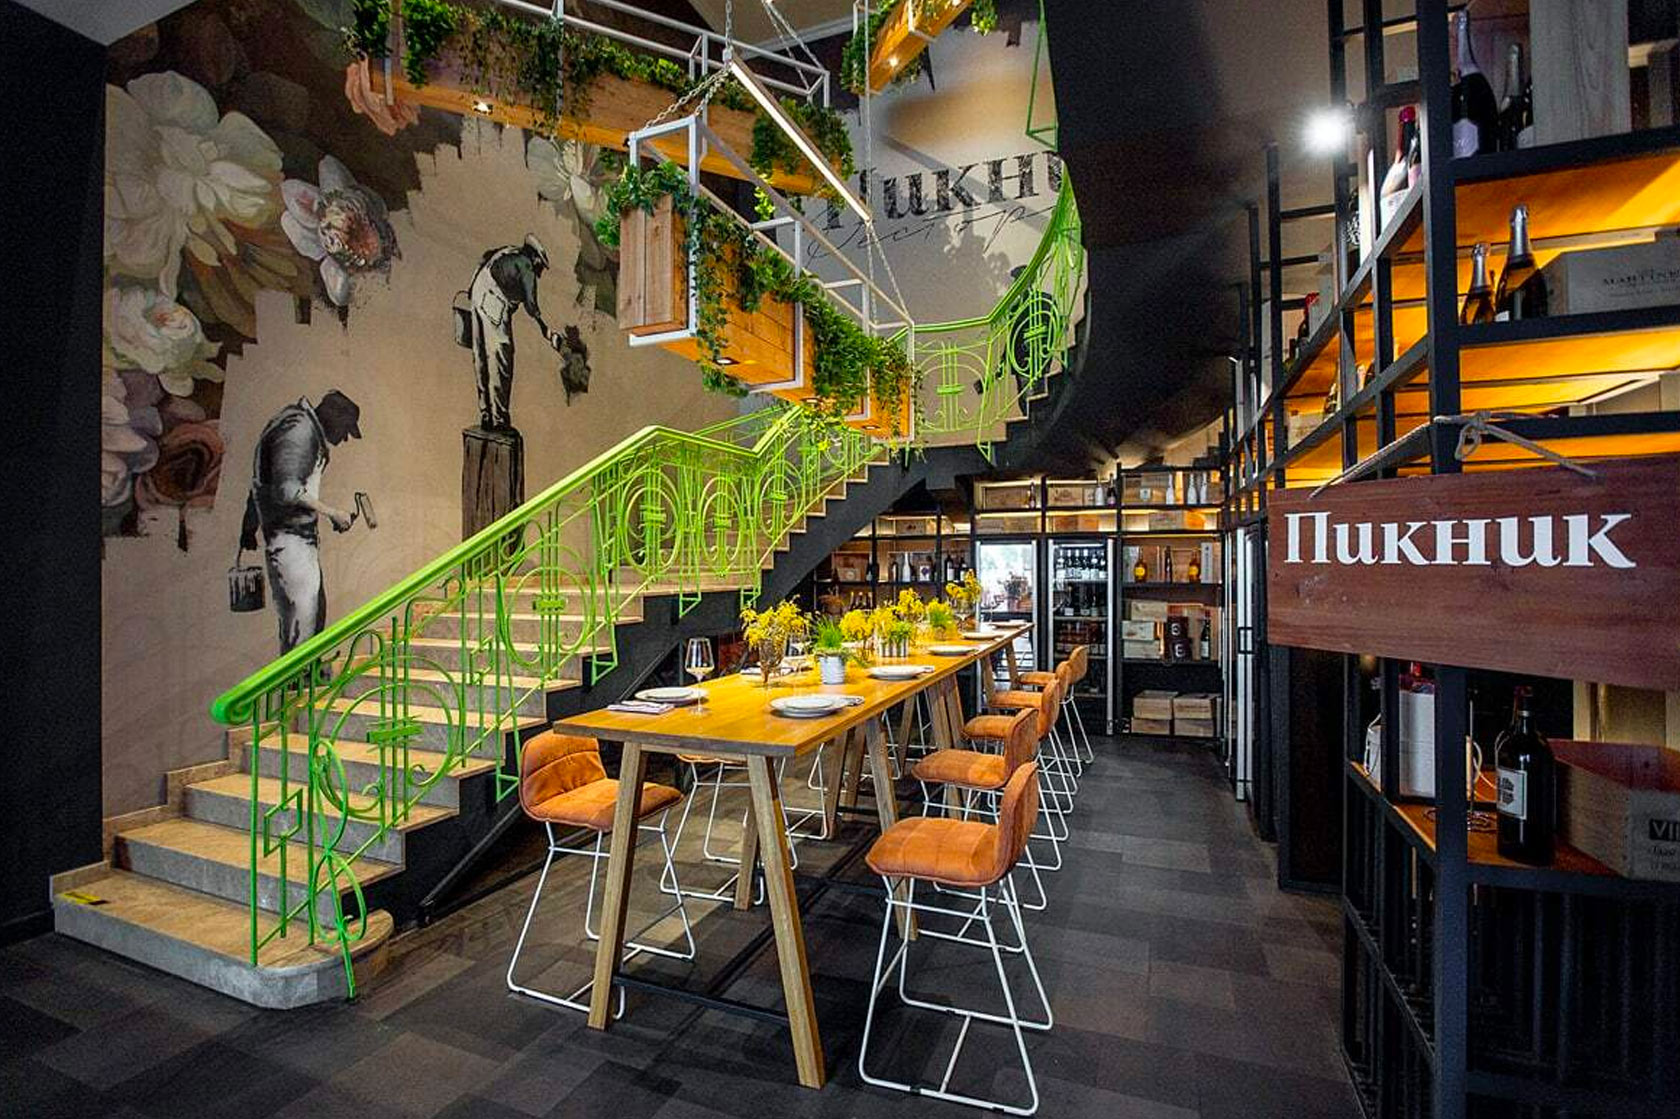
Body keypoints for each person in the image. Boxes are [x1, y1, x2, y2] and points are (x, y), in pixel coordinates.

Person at [239, 391, 362, 654]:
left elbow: (261, 483)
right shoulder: (300, 430)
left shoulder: (295, 425)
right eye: (345, 429)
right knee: (302, 625)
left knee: (309, 618)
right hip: (290, 539)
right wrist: (332, 513)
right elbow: (286, 490)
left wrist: (249, 527)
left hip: (292, 539)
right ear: (333, 417)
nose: (343, 438)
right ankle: (301, 678)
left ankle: (310, 672)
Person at [467, 234, 564, 430]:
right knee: (501, 358)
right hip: (494, 302)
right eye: (541, 265)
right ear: (535, 258)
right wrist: (547, 331)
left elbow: (484, 258)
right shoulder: (526, 266)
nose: (540, 271)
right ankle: (500, 419)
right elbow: (531, 306)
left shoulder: (507, 251)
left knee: (481, 356)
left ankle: (485, 412)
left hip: (477, 293)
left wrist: (472, 291)